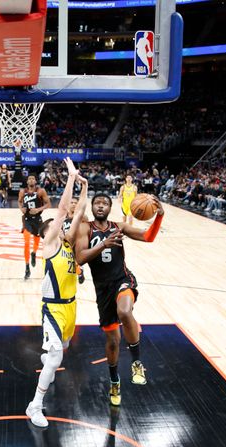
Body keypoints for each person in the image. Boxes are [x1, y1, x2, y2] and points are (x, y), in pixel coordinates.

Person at [75, 189, 165, 406]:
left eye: (105, 203)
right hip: (102, 289)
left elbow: (147, 237)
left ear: (110, 208)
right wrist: (103, 244)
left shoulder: (119, 227)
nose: (100, 206)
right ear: (93, 207)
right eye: (97, 203)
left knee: (125, 311)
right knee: (113, 342)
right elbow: (80, 258)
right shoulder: (85, 229)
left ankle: (136, 363)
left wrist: (159, 216)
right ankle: (114, 380)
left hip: (122, 279)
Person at [26, 159, 88, 428]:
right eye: (57, 225)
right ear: (48, 232)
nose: (63, 226)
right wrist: (71, 178)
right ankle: (34, 406)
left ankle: (48, 356)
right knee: (56, 358)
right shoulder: (50, 245)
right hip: (52, 308)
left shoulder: (66, 243)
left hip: (71, 307)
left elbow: (78, 211)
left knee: (61, 349)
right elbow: (64, 209)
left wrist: (85, 187)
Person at [19, 175, 51, 280]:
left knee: (37, 243)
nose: (31, 180)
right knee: (27, 243)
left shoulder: (41, 191)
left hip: (37, 219)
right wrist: (21, 208)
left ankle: (34, 253)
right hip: (27, 219)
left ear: (36, 181)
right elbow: (19, 202)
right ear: (27, 181)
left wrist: (38, 209)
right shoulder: (22, 191)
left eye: (33, 178)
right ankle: (27, 267)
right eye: (29, 179)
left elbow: (48, 204)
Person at [63, 196, 86, 285]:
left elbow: (86, 220)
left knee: (73, 260)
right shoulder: (63, 217)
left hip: (78, 242)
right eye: (71, 202)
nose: (73, 204)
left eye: (75, 203)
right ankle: (80, 272)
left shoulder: (81, 216)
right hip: (66, 241)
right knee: (68, 262)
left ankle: (79, 272)